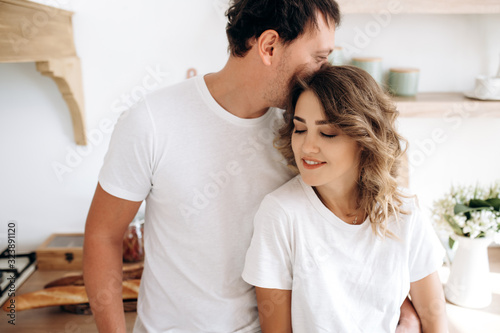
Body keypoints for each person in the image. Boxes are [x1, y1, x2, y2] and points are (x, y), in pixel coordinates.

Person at [83, 0, 420, 332]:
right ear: (270, 46)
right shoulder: (153, 121)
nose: (325, 72)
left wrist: (404, 304)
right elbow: (103, 236)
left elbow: (357, 225)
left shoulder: (305, 133)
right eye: (319, 58)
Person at [242, 64, 448, 333]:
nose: (307, 147)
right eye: (300, 129)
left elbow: (433, 318)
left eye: (327, 133)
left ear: (364, 139)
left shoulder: (403, 210)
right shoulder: (281, 214)